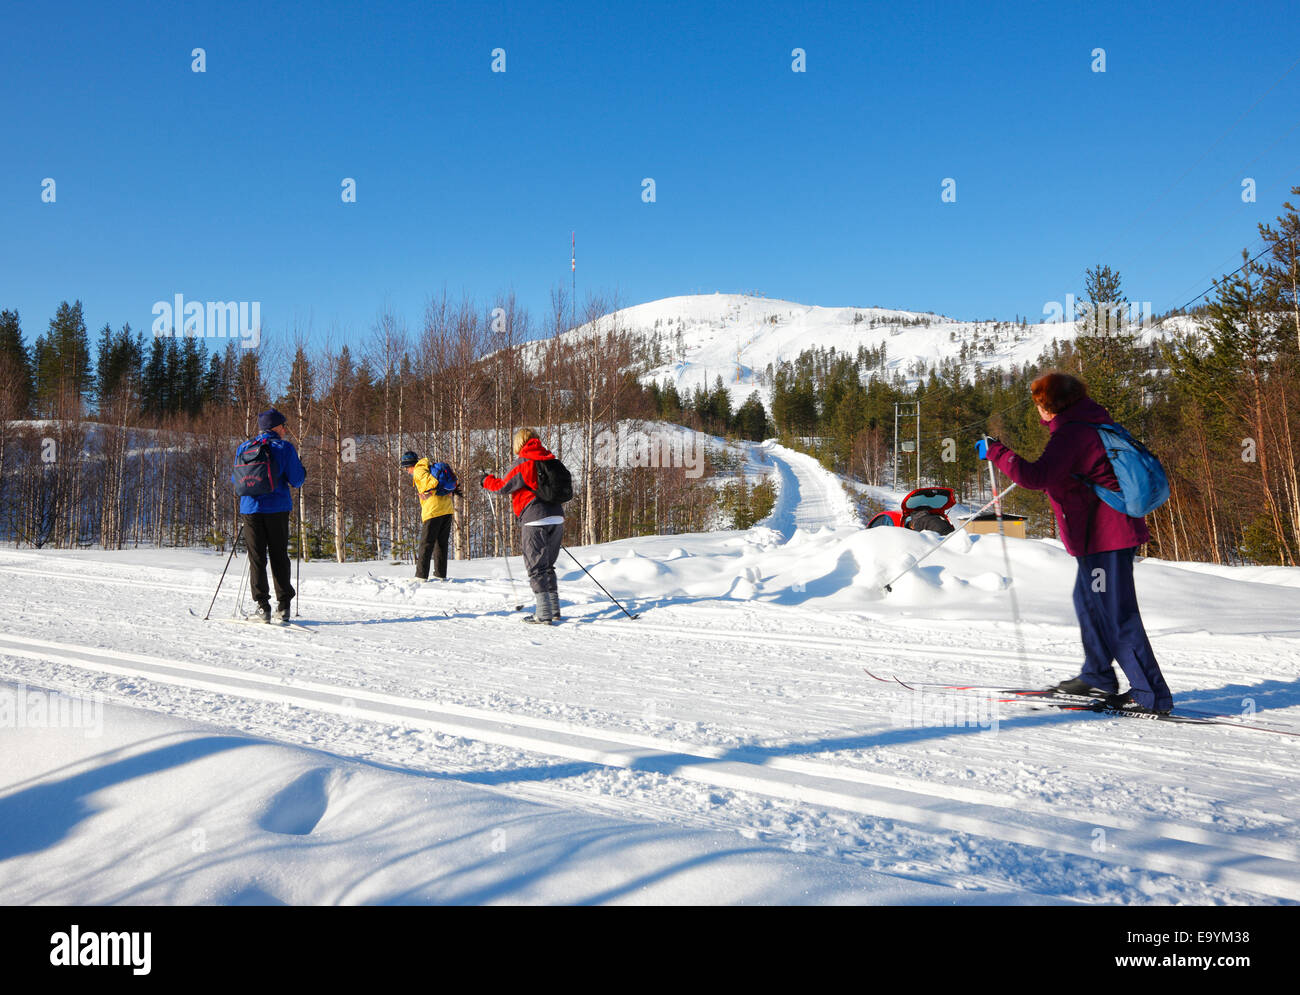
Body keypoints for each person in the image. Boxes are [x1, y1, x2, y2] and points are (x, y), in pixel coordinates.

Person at [977, 372, 1173, 715]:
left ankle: (1150, 695)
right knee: (1088, 602)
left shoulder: (1073, 434)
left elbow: (1035, 477)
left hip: (1105, 538)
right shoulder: (1090, 422)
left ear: (1049, 404)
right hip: (1102, 537)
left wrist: (997, 452)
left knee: (1116, 614)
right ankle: (1097, 675)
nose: (1037, 409)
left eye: (1038, 402)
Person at [481, 428, 565, 625]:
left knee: (536, 567)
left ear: (519, 443)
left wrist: (486, 480)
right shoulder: (550, 459)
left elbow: (502, 486)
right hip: (557, 516)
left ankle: (543, 613)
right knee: (548, 565)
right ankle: (554, 610)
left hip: (534, 518)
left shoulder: (524, 462)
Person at [233, 408, 306, 622]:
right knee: (279, 556)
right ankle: (283, 606)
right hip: (277, 508)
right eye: (283, 426)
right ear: (275, 427)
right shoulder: (284, 447)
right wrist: (303, 471)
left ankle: (262, 606)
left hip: (250, 509)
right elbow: (297, 480)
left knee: (256, 558)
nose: (285, 430)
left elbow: (235, 479)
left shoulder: (244, 447)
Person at [401, 450, 456, 581]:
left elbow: (433, 483)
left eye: (406, 468)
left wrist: (430, 492)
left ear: (410, 465)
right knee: (441, 544)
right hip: (447, 509)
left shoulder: (419, 471)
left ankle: (421, 576)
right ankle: (440, 574)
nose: (407, 471)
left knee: (426, 543)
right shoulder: (428, 467)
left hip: (433, 510)